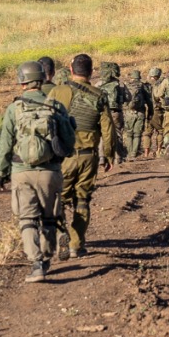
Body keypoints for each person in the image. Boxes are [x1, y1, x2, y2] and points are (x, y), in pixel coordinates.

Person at [0, 61, 74, 282]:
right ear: (42, 79)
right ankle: (47, 257)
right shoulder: (56, 106)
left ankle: (36, 263)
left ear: (22, 82)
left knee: (27, 219)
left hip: (22, 171)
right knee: (49, 218)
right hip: (50, 172)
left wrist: (0, 174)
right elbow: (69, 142)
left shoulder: (14, 108)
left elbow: (4, 144)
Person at [48, 54, 115, 260]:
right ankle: (77, 244)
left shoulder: (57, 91)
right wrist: (109, 155)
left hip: (63, 158)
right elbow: (108, 129)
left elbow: (45, 121)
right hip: (89, 157)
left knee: (58, 200)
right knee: (82, 200)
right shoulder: (100, 95)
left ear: (70, 69)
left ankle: (62, 235)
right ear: (92, 71)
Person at [97, 61, 129, 168]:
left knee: (102, 134)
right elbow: (129, 98)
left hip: (102, 112)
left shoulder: (99, 84)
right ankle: (118, 158)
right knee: (118, 135)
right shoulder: (120, 84)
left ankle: (102, 157)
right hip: (116, 113)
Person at [122, 69, 151, 160]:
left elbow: (123, 100)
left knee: (129, 134)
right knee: (137, 134)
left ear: (131, 77)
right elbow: (149, 101)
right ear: (139, 77)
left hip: (128, 113)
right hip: (140, 113)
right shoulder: (143, 86)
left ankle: (129, 153)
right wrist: (150, 112)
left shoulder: (126, 86)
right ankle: (134, 153)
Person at [143, 66, 165, 157]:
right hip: (157, 111)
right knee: (161, 131)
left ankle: (146, 153)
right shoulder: (160, 84)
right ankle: (159, 150)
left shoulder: (145, 85)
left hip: (147, 111)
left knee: (147, 133)